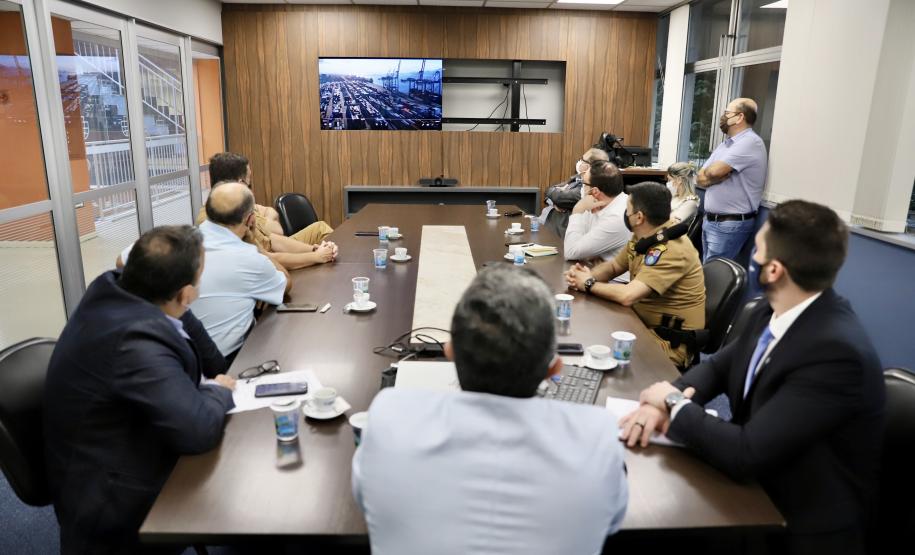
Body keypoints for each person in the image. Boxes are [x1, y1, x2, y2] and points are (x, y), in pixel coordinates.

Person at [619, 200, 885, 555]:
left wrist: (671, 403)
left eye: (757, 249)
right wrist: (668, 398)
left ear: (774, 270)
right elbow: (717, 368)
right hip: (754, 486)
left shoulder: (836, 354)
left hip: (794, 524)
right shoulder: (770, 310)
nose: (752, 256)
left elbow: (746, 452)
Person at [353, 266, 628, 555]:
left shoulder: (389, 418)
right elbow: (612, 521)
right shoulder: (598, 439)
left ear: (449, 352)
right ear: (555, 368)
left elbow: (365, 498)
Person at [44, 225, 236, 554]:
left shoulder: (118, 289)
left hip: (119, 443)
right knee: (237, 476)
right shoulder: (136, 341)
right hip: (110, 503)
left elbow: (211, 359)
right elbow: (199, 428)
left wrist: (180, 308)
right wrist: (218, 390)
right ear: (185, 292)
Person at [565, 182, 705, 368]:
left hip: (667, 344)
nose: (625, 214)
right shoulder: (645, 235)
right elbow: (614, 266)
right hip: (639, 324)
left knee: (592, 352)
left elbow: (627, 296)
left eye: (628, 210)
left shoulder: (672, 249)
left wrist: (589, 283)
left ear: (639, 217)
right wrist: (583, 276)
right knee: (587, 335)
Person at [203, 152, 337, 270]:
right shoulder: (225, 218)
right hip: (271, 269)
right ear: (240, 183)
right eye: (249, 183)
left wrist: (315, 249)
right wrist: (315, 256)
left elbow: (272, 239)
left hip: (273, 264)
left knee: (320, 229)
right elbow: (267, 258)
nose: (250, 189)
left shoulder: (237, 208)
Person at [698, 97, 768, 262]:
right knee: (706, 275)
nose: (723, 117)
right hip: (711, 221)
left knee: (713, 279)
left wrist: (714, 175)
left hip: (729, 224)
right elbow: (700, 177)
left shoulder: (750, 142)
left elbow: (714, 171)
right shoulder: (726, 145)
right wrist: (714, 177)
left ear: (740, 117)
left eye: (726, 113)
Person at [563, 160, 629, 263]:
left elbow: (571, 252)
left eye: (583, 183)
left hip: (613, 279)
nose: (582, 187)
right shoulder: (597, 202)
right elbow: (580, 246)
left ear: (594, 191)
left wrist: (577, 211)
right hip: (596, 270)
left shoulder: (617, 216)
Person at [539, 147, 611, 238]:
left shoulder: (589, 190)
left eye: (582, 160)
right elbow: (550, 191)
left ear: (590, 167)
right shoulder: (578, 177)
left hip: (558, 234)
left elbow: (557, 197)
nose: (579, 162)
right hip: (546, 223)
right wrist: (553, 202)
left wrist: (555, 198)